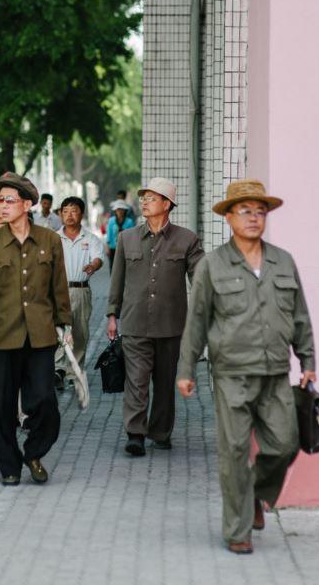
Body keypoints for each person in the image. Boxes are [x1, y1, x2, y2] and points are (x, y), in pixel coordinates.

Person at [177, 179, 316, 556]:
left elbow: (300, 315)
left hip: (275, 373)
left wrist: (308, 360)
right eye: (245, 210)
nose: (254, 218)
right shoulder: (213, 265)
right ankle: (238, 529)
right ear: (229, 217)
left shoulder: (282, 261)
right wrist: (186, 369)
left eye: (260, 211)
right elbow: (197, 321)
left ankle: (255, 494)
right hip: (231, 374)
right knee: (235, 451)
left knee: (285, 443)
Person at [0, 172, 72, 486]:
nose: (1, 206)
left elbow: (58, 287)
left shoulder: (49, 240)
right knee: (2, 406)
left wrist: (65, 324)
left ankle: (34, 452)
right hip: (2, 336)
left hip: (40, 336)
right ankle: (9, 467)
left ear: (26, 204)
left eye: (9, 201)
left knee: (45, 401)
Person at [106, 178, 204, 456]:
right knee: (136, 380)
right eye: (144, 197)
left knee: (164, 383)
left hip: (172, 325)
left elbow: (201, 278)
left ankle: (160, 432)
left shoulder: (187, 239)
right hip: (135, 323)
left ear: (167, 204)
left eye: (151, 197)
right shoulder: (127, 238)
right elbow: (116, 281)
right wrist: (112, 315)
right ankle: (135, 433)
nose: (144, 202)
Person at [54, 196, 103, 390]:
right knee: (58, 330)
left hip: (81, 290)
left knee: (79, 332)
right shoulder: (53, 238)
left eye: (73, 211)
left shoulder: (90, 239)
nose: (69, 215)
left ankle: (75, 372)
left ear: (81, 214)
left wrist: (93, 265)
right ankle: (58, 370)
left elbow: (98, 258)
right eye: (65, 211)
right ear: (60, 214)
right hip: (58, 291)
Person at [106, 201, 135, 270]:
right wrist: (107, 248)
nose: (119, 211)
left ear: (125, 211)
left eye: (121, 209)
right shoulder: (111, 221)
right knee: (113, 267)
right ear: (115, 211)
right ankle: (114, 281)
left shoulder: (129, 221)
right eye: (118, 209)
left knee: (124, 267)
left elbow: (133, 236)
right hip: (113, 247)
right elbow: (109, 235)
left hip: (126, 248)